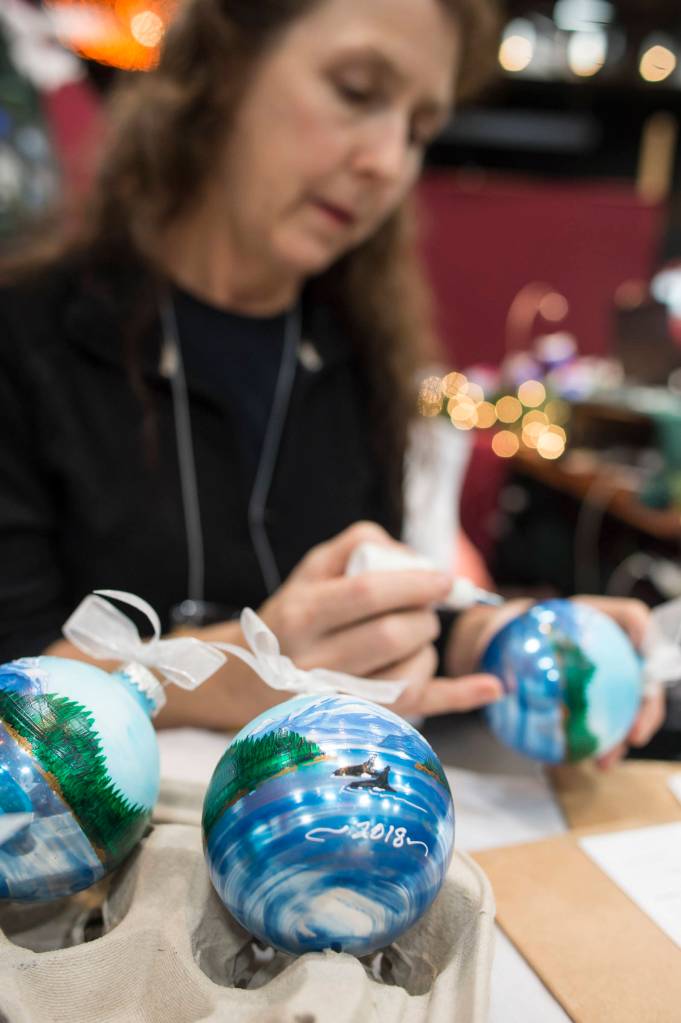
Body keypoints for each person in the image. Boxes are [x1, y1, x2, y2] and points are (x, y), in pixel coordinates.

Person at [0, 0, 664, 765]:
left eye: (418, 130)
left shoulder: (359, 357)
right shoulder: (28, 342)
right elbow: (17, 679)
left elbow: (371, 606)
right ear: (224, 71)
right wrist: (241, 673)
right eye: (355, 90)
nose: (387, 161)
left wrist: (499, 641)